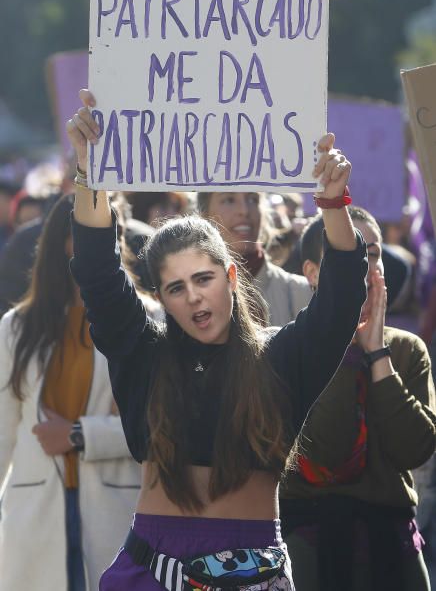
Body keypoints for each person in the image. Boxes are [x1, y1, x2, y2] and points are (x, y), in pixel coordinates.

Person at [65, 89, 367, 591]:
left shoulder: (281, 356)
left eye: (204, 279)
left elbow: (339, 302)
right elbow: (97, 272)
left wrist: (334, 202)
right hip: (152, 566)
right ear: (159, 296)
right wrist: (88, 171)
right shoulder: (144, 353)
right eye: (176, 288)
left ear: (230, 275)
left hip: (254, 570)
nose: (194, 299)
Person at [280, 206, 436, 591]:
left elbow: (414, 450)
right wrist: (345, 347)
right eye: (348, 257)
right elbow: (326, 451)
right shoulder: (287, 346)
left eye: (372, 255)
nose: (365, 269)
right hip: (311, 543)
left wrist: (378, 354)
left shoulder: (407, 350)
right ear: (313, 273)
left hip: (392, 543)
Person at [0, 193, 141, 591]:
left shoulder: (148, 320)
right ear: (63, 238)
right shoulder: (16, 327)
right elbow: (3, 434)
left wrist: (80, 435)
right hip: (34, 515)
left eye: (110, 228)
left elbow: (154, 430)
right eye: (86, 227)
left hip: (117, 510)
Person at [196, 192, 312, 326]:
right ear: (204, 215)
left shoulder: (303, 292)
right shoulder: (189, 299)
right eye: (229, 200)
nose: (244, 211)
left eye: (253, 199)